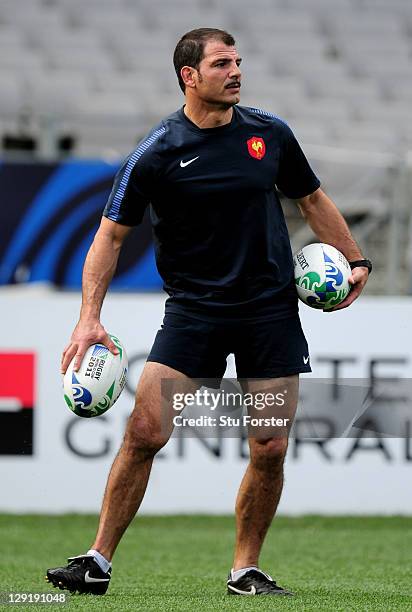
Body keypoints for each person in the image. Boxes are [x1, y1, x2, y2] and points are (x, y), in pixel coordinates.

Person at [46, 28, 371, 597]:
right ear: (189, 77)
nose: (237, 71)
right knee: (144, 432)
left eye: (239, 61)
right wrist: (88, 318)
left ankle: (245, 570)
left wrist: (356, 258)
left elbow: (312, 199)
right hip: (195, 313)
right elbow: (109, 236)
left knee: (269, 447)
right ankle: (95, 560)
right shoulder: (159, 150)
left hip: (269, 312)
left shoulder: (270, 135)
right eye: (223, 63)